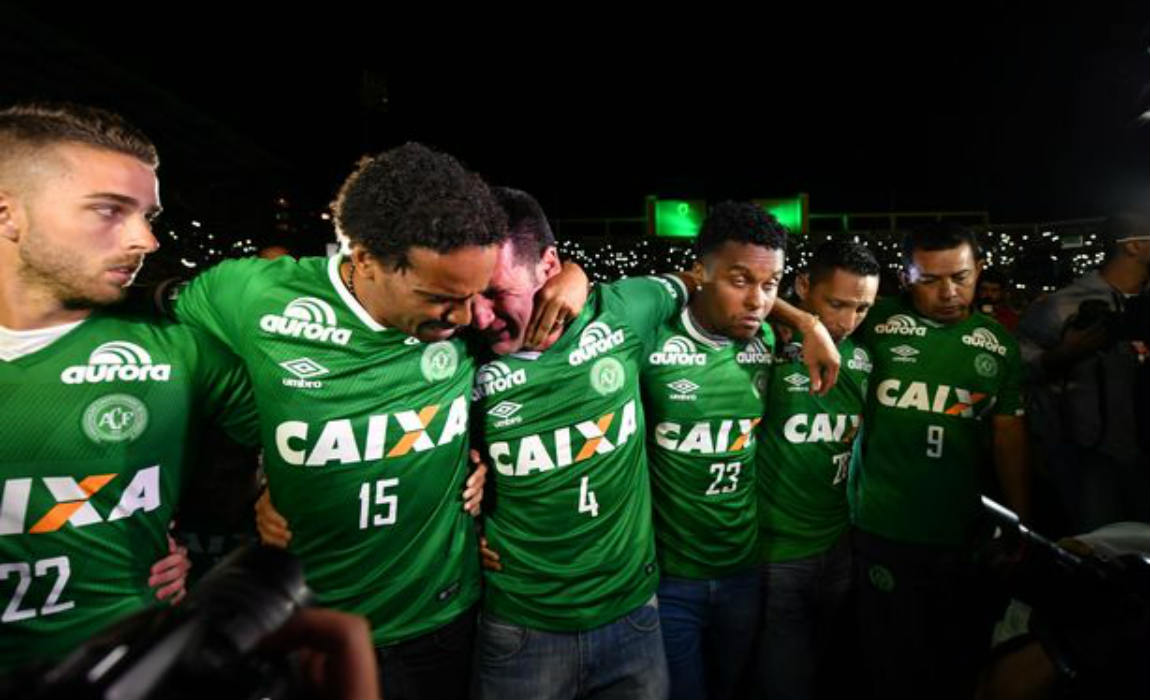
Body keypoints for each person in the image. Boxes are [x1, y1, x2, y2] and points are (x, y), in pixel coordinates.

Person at [169, 142, 513, 700]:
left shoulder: (472, 317)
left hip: (442, 617)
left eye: (477, 293)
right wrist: (258, 468)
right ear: (363, 258)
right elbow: (182, 345)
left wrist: (479, 456)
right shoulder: (256, 294)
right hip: (306, 620)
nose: (468, 315)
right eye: (440, 297)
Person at [0, 103, 256, 670]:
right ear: (6, 215)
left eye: (148, 215)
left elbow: (301, 441)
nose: (146, 239)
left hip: (136, 662)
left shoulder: (179, 350)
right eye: (110, 211)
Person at [851, 222, 1030, 699]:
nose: (949, 292)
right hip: (881, 528)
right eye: (930, 280)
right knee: (888, 661)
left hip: (960, 532)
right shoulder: (872, 321)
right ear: (906, 277)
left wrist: (1020, 520)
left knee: (955, 658)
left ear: (980, 270)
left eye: (961, 277)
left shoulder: (999, 344)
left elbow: (1008, 437)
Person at [637, 201, 783, 700]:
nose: (758, 301)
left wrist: (808, 324)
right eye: (739, 281)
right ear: (699, 272)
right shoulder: (652, 339)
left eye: (771, 285)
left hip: (744, 569)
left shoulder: (765, 340)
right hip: (669, 578)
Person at [756, 240, 879, 700]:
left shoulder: (865, 358)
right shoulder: (759, 344)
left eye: (862, 308)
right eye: (836, 305)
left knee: (829, 669)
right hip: (777, 553)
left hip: (841, 545)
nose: (847, 322)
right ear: (804, 286)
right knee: (787, 679)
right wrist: (801, 321)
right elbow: (707, 283)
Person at [1017, 213, 1150, 531]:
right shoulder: (1063, 306)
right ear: (1132, 245)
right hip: (1089, 459)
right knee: (1099, 554)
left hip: (1145, 456)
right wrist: (1065, 355)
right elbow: (1015, 373)